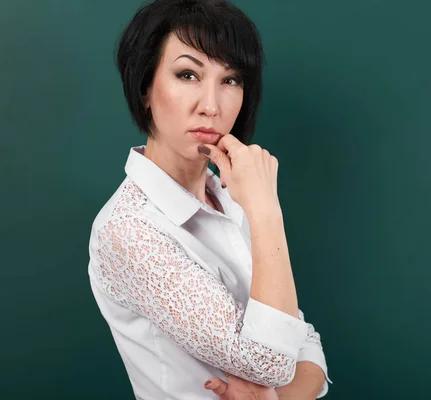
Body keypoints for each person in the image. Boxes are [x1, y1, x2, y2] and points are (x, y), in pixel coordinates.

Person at [87, 0, 331, 398]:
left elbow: (306, 344)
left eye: (231, 80)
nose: (211, 106)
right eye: (187, 74)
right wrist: (267, 209)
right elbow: (271, 360)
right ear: (145, 87)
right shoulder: (128, 228)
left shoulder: (234, 198)